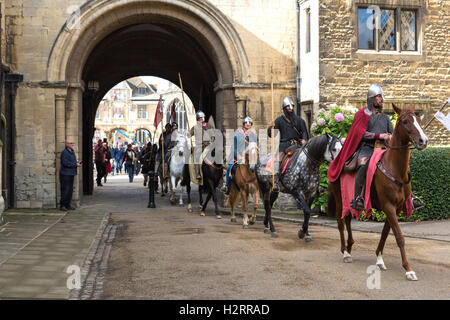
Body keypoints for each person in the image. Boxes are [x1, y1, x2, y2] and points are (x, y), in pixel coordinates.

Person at [327, 84, 426, 211]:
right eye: (379, 96)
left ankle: (410, 197)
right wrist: (380, 135)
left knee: (403, 168)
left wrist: (390, 137)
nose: (381, 99)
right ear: (371, 98)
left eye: (382, 97)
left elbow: (392, 132)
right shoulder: (362, 115)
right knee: (364, 165)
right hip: (367, 149)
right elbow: (361, 134)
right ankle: (358, 198)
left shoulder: (385, 117)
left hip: (384, 149)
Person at [267, 97, 308, 191]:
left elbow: (304, 132)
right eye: (288, 107)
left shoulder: (299, 120)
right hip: (284, 145)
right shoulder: (279, 120)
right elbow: (272, 135)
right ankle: (276, 182)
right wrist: (270, 128)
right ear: (284, 109)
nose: (290, 108)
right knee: (278, 160)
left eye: (291, 106)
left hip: (297, 145)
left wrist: (304, 139)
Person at [222, 117, 258, 195]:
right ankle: (227, 186)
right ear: (243, 124)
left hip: (250, 157)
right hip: (239, 157)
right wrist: (237, 155)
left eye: (249, 123)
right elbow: (234, 148)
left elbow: (258, 146)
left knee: (259, 168)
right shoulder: (237, 134)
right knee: (230, 168)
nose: (248, 125)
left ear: (251, 125)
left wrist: (257, 152)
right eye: (246, 123)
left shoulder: (254, 135)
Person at [60, 139, 82, 211]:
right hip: (65, 174)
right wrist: (75, 164)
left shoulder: (72, 152)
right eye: (71, 143)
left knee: (70, 190)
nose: (72, 144)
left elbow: (71, 161)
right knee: (65, 190)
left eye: (72, 143)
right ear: (67, 144)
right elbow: (65, 163)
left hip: (71, 173)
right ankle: (62, 205)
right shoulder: (64, 152)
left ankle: (67, 205)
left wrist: (77, 162)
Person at [189, 111, 210, 180]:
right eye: (199, 118)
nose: (201, 119)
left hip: (208, 145)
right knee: (196, 158)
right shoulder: (195, 127)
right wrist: (189, 133)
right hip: (199, 146)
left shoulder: (207, 126)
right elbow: (189, 135)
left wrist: (212, 140)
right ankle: (197, 174)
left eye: (201, 118)